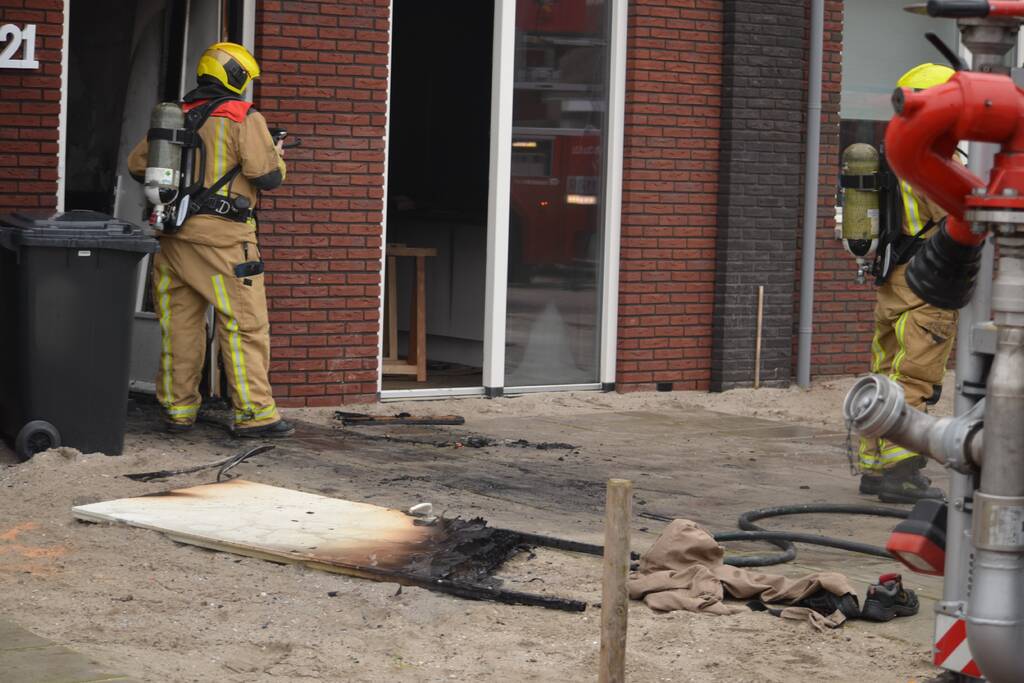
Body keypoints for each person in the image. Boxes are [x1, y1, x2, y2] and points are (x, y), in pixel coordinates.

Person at [128, 42, 293, 438]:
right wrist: (277, 151)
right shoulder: (243, 116)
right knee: (245, 326)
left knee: (180, 326)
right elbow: (267, 175)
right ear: (234, 77)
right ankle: (255, 414)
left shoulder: (173, 114)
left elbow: (138, 165)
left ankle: (178, 409)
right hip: (226, 243)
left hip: (172, 238)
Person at [857, 63, 960, 501]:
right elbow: (958, 212)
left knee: (886, 368)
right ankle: (900, 472)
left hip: (892, 277)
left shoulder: (892, 148)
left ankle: (874, 465)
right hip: (927, 280)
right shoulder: (932, 156)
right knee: (914, 374)